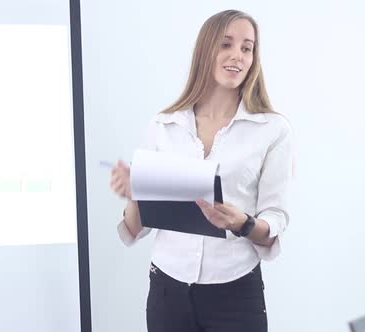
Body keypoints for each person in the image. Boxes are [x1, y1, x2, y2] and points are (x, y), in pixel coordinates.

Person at [109, 9, 293, 332]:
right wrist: (137, 192)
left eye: (246, 48)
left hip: (235, 294)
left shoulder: (272, 130)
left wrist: (244, 223)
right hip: (167, 292)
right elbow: (137, 227)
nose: (237, 55)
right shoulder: (164, 125)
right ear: (206, 49)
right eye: (226, 44)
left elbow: (275, 218)